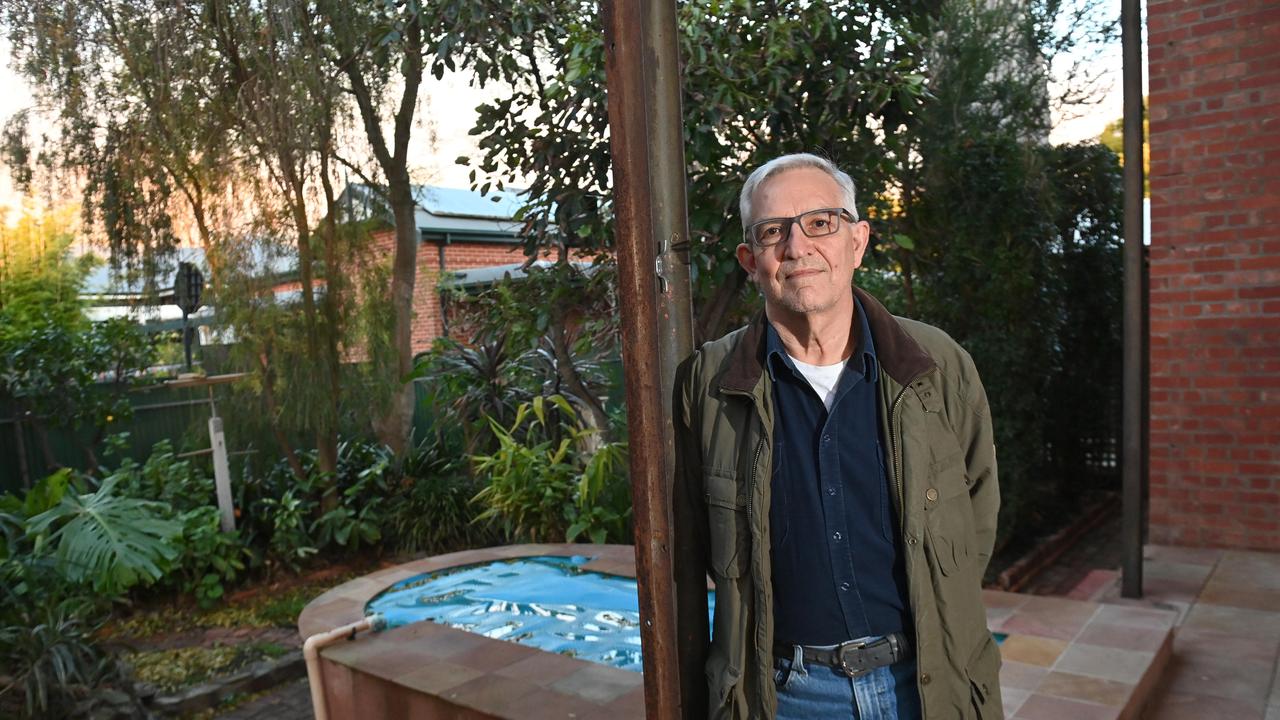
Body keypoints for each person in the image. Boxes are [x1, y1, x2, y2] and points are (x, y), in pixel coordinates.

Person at [672, 153, 1002, 719]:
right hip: (787, 697)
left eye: (820, 222)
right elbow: (693, 544)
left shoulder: (937, 365)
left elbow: (976, 518)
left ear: (858, 240)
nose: (798, 248)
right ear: (751, 260)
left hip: (925, 687)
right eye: (773, 231)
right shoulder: (708, 383)